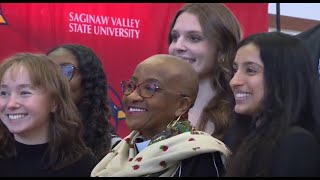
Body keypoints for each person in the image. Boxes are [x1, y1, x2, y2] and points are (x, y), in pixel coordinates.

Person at [91, 54, 231, 177]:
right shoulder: (118, 152)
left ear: (181, 105)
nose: (132, 96)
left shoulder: (201, 156)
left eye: (150, 88)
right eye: (131, 86)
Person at [226, 32, 320, 176]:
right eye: (235, 70)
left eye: (250, 70)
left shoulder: (296, 143)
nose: (234, 81)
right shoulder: (244, 136)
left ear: (283, 78)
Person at [0, 53, 98, 177]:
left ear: (54, 102)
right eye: (3, 93)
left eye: (24, 92)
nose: (11, 104)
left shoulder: (83, 167)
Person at [168, 3, 242, 140]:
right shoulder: (160, 105)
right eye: (175, 37)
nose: (178, 46)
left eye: (194, 38)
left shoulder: (241, 113)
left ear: (222, 49)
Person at [47, 44, 121, 161]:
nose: (55, 80)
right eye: (47, 72)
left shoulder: (114, 149)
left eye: (66, 71)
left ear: (88, 79)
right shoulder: (27, 137)